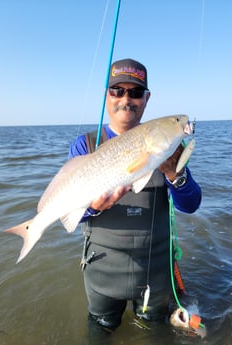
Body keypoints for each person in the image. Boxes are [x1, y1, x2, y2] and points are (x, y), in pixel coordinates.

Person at [68, 58, 202, 330]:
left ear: (146, 99)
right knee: (100, 330)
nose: (126, 99)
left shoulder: (168, 142)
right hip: (102, 272)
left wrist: (176, 175)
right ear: (107, 95)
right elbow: (72, 215)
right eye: (118, 90)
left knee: (153, 331)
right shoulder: (84, 145)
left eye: (136, 92)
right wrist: (93, 208)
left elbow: (191, 204)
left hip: (156, 271)